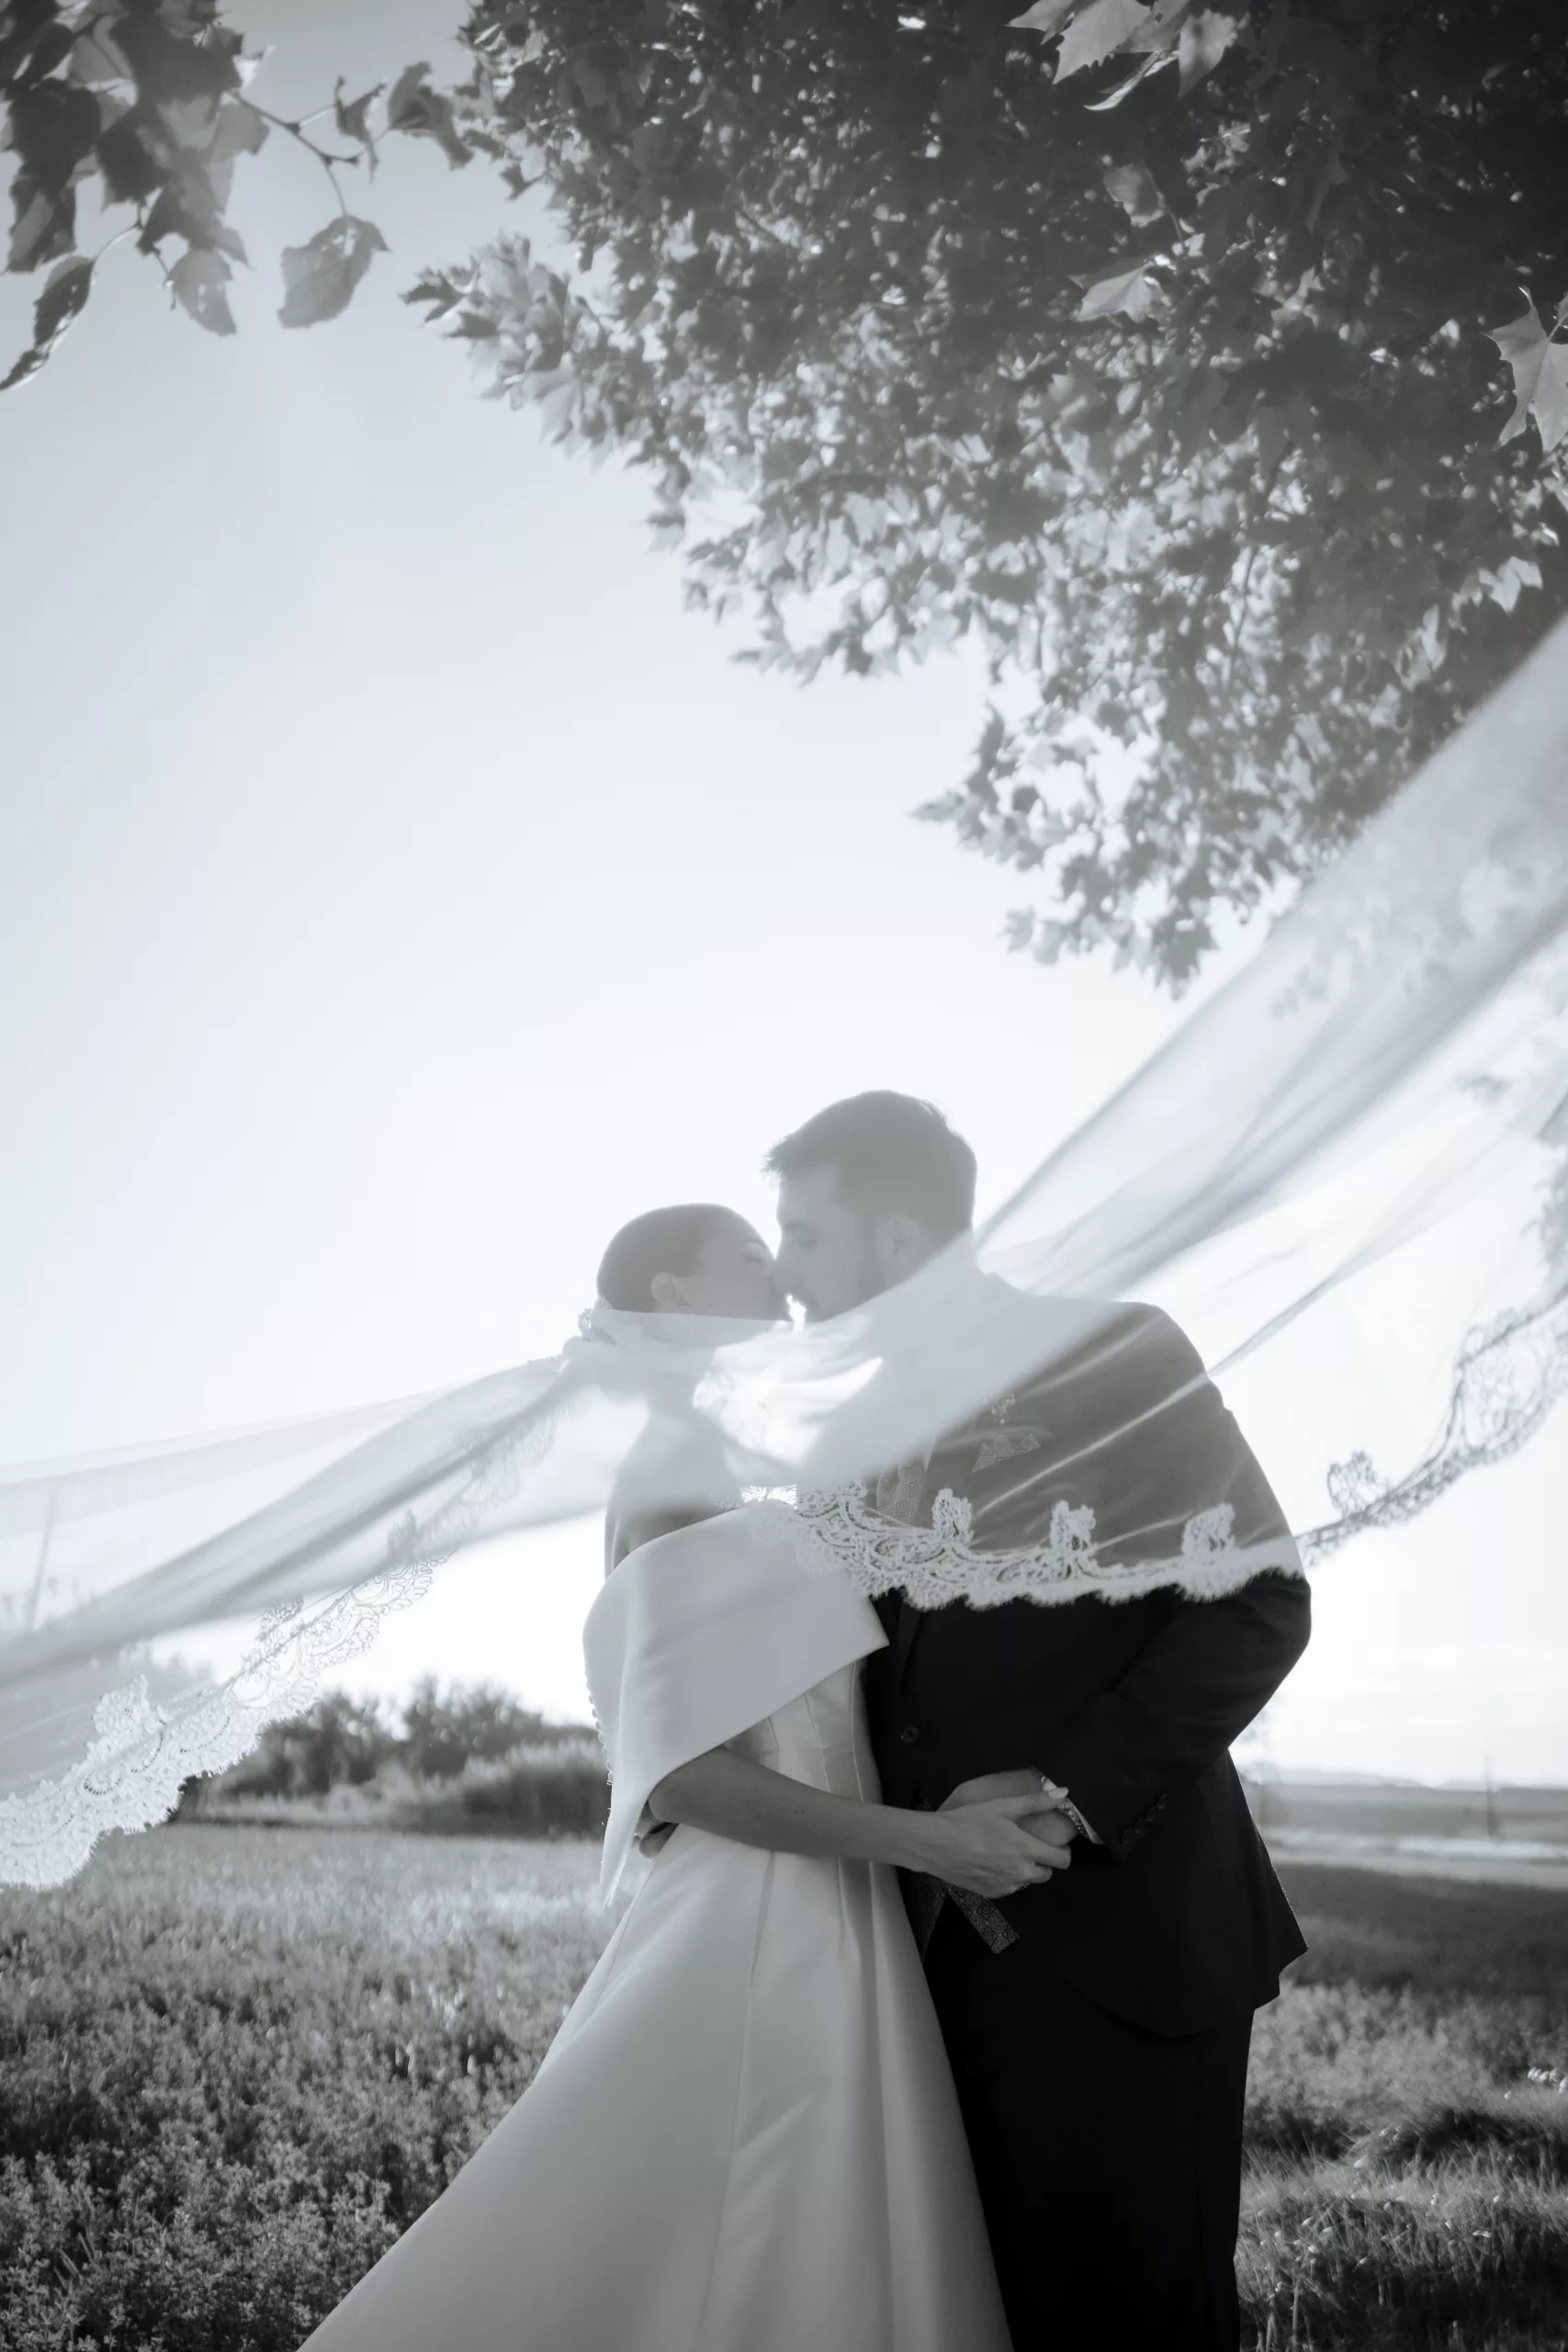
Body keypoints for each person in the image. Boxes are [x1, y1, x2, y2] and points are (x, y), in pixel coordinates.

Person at [297, 1201, 1052, 2352]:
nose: (783, 1278)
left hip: (829, 1903)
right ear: (669, 1295)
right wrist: (929, 1842)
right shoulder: (670, 1481)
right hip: (762, 1918)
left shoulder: (724, 1469)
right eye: (751, 1256)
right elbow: (684, 1780)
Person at [769, 1091, 1313, 2352]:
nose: (787, 1280)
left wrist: (1064, 1796)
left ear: (897, 1241)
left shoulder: (1110, 1355)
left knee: (1128, 2318)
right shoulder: (842, 1440)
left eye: (804, 1238)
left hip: (1120, 1945)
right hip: (910, 1963)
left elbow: (1258, 1605)